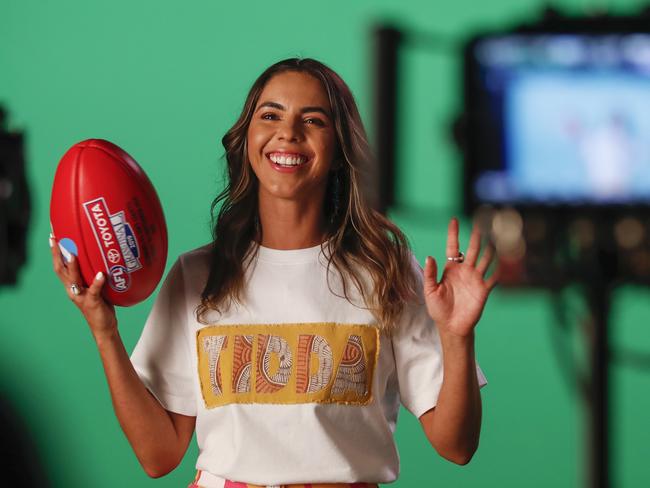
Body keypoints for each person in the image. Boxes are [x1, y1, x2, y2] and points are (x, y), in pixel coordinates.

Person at [50, 58, 498, 488]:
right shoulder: (198, 274)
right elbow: (158, 455)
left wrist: (457, 336)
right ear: (246, 139)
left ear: (340, 148)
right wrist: (105, 330)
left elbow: (457, 446)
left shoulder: (384, 271)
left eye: (314, 120)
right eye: (271, 115)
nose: (288, 133)